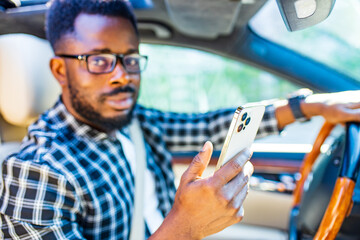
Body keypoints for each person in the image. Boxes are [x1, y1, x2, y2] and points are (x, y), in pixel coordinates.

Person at [1, 0, 360, 239]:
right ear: (60, 70)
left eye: (129, 58)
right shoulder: (35, 174)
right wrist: (183, 228)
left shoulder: (130, 121)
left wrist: (311, 107)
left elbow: (207, 127)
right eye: (99, 60)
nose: (121, 76)